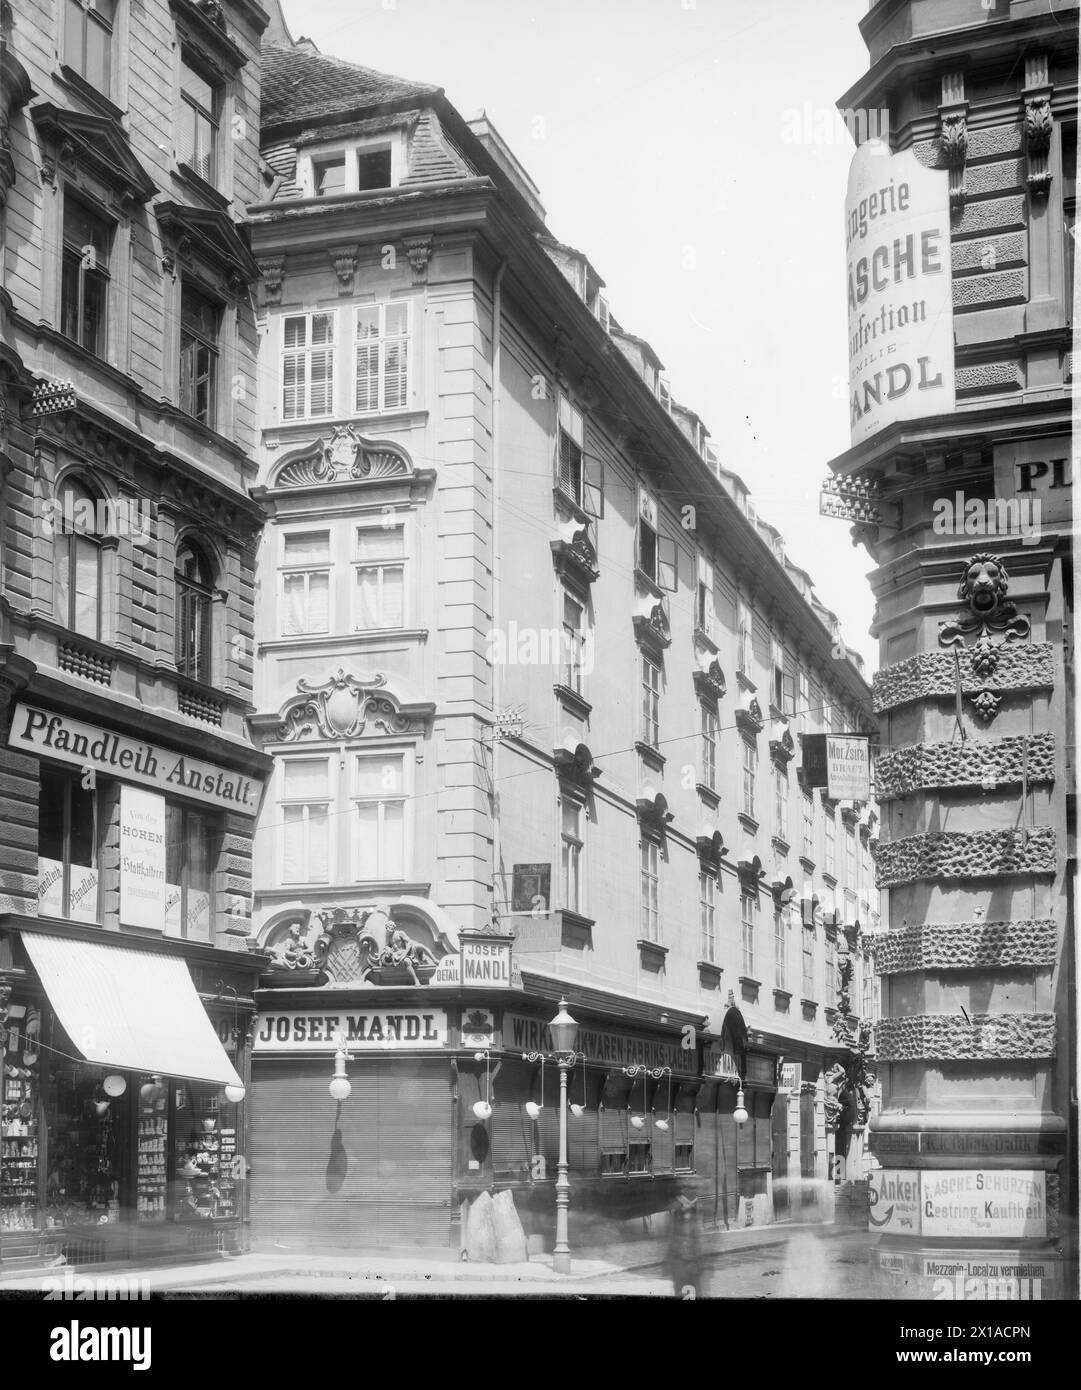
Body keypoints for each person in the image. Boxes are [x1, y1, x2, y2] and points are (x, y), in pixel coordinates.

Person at [667, 1194, 703, 1298]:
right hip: (683, 1260)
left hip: (689, 1260)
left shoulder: (693, 1223)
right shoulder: (679, 1223)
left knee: (691, 1290)